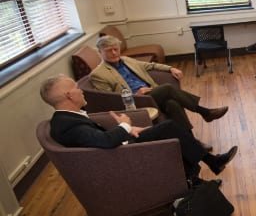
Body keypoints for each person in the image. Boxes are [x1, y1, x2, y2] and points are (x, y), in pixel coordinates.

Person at [41, 75, 237, 184]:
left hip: (119, 148)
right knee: (169, 128)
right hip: (121, 157)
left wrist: (128, 129)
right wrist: (125, 125)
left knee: (170, 121)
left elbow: (95, 138)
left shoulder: (66, 119)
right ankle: (210, 164)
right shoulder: (67, 125)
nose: (81, 90)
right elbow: (105, 142)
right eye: (76, 88)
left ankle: (200, 175)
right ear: (68, 95)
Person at [91, 36, 228, 131]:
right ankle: (204, 112)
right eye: (109, 50)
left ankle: (193, 141)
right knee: (168, 88)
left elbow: (150, 66)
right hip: (136, 100)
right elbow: (111, 100)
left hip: (151, 93)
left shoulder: (126, 60)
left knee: (172, 104)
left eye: (116, 49)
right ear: (100, 52)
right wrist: (135, 95)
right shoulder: (98, 74)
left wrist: (170, 68)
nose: (115, 53)